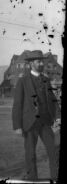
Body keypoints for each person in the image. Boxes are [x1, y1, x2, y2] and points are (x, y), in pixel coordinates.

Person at [12, 50, 60, 181]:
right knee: (30, 154)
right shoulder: (22, 81)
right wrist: (17, 126)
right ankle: (32, 179)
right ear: (31, 64)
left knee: (54, 150)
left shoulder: (46, 80)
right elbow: (17, 105)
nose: (41, 64)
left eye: (42, 61)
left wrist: (58, 117)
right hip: (29, 123)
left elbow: (52, 100)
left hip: (45, 122)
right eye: (39, 61)